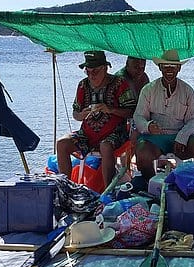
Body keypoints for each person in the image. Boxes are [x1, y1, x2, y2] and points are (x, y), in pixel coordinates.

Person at [56, 50, 136, 190]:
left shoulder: (119, 83)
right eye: (88, 71)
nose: (91, 75)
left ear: (105, 68)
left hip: (115, 133)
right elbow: (75, 112)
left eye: (95, 71)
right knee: (62, 143)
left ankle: (107, 191)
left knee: (105, 145)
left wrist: (110, 109)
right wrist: (82, 115)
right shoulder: (83, 85)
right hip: (87, 135)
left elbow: (132, 111)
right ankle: (66, 189)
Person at [133, 49, 194, 181]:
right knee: (142, 152)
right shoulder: (149, 89)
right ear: (160, 68)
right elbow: (138, 116)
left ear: (178, 68)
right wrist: (148, 126)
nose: (169, 69)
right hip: (155, 138)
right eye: (165, 66)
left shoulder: (187, 91)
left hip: (180, 137)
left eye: (173, 66)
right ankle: (151, 186)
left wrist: (182, 136)